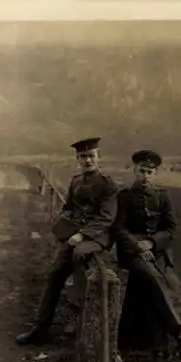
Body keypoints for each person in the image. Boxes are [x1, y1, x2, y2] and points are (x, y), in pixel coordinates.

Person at [16, 137, 118, 345]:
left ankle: (76, 310)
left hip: (97, 236)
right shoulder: (76, 181)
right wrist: (65, 221)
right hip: (74, 235)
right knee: (54, 275)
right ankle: (40, 329)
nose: (87, 160)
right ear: (77, 159)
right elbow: (69, 207)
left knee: (80, 255)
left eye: (91, 156)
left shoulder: (107, 185)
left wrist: (82, 234)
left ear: (99, 157)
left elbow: (107, 217)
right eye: (83, 157)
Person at [113, 149, 181, 362]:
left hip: (155, 252)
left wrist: (151, 242)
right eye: (142, 171)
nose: (145, 176)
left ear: (155, 173)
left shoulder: (163, 196)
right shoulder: (124, 196)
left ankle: (159, 352)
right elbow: (119, 228)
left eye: (150, 172)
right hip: (131, 254)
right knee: (152, 277)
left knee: (151, 285)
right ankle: (177, 333)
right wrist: (138, 245)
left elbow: (171, 229)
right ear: (134, 170)